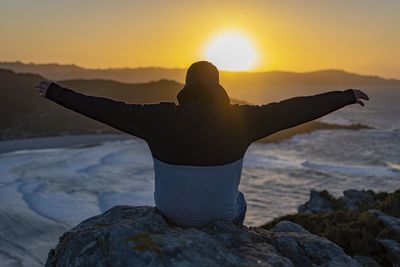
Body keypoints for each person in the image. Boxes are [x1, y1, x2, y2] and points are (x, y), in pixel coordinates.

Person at [35, 61, 369, 227]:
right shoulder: (242, 121)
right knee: (240, 200)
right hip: (219, 218)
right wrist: (344, 97)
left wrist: (55, 92)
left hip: (169, 215)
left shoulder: (157, 118)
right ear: (218, 88)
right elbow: (294, 110)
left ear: (187, 88)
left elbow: (103, 108)